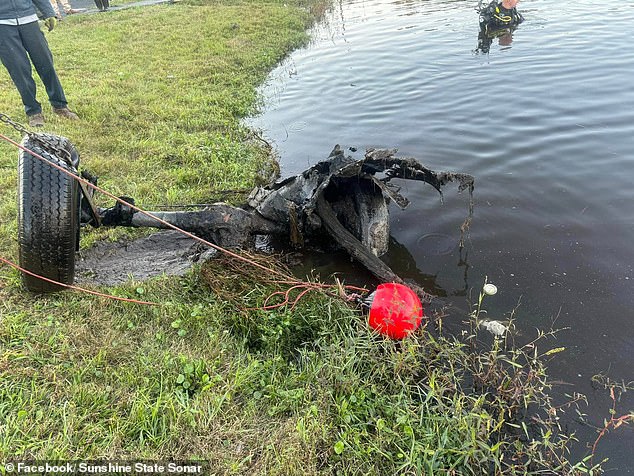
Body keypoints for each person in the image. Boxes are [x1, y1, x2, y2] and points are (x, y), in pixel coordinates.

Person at [0, 0, 79, 127]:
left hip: (29, 20)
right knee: (19, 70)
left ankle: (60, 105)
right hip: (3, 26)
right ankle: (33, 112)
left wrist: (48, 12)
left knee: (46, 63)